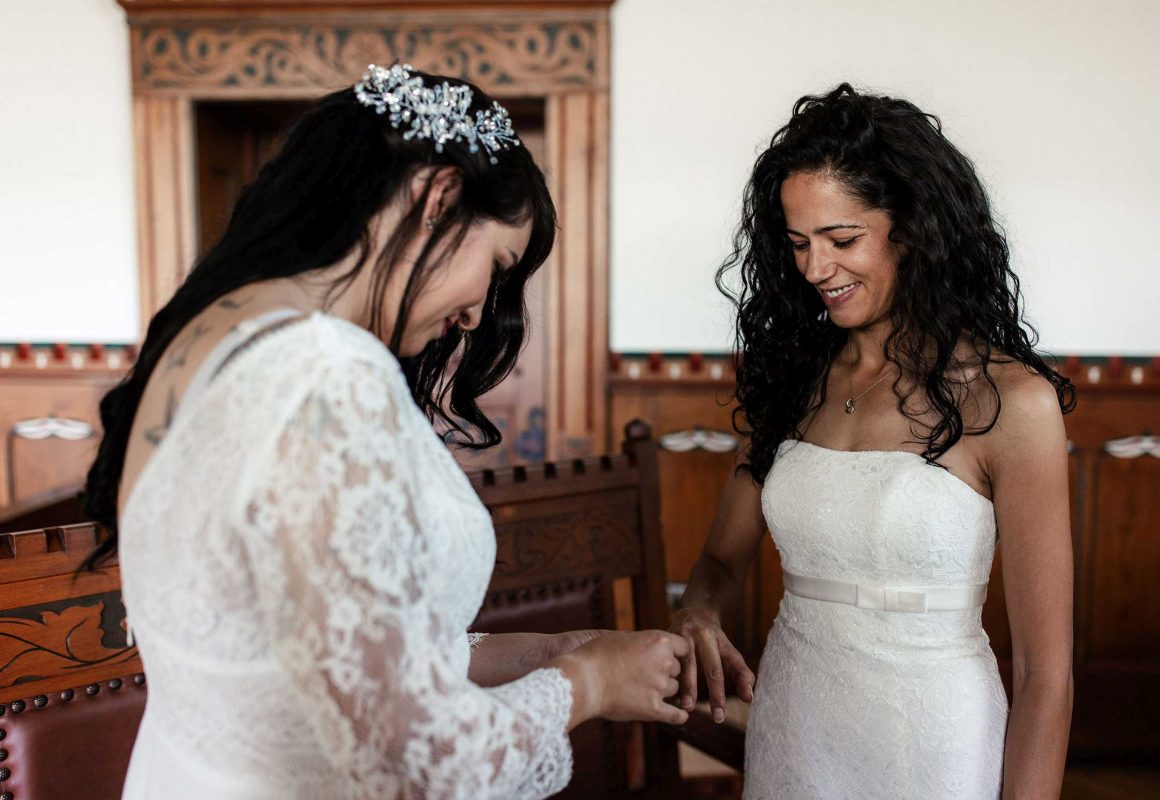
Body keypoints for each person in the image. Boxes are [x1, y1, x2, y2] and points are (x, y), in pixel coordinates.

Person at [84, 64, 688, 800]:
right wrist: (588, 684)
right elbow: (421, 766)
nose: (475, 316)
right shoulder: (325, 370)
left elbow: (329, 658)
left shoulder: (208, 341)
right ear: (437, 197)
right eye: (496, 266)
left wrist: (556, 649)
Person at [671, 84, 1075, 799]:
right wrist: (699, 610)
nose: (814, 269)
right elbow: (718, 563)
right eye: (798, 244)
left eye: (842, 239)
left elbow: (1046, 672)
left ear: (913, 228)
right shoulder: (795, 382)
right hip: (794, 728)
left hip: (934, 742)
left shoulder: (1012, 403)